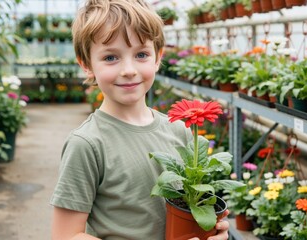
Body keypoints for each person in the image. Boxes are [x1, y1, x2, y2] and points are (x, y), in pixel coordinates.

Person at [50, 0, 230, 239]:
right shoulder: (87, 143)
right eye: (111, 57)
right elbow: (66, 235)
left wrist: (212, 231)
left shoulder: (180, 130)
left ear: (158, 58)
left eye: (141, 54)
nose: (128, 69)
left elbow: (193, 208)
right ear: (86, 64)